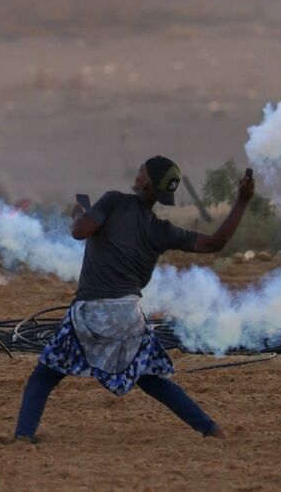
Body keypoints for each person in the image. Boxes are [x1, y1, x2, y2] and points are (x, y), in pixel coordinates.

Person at [13, 155, 254, 442]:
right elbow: (216, 242)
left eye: (141, 170)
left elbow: (79, 232)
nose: (137, 172)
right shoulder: (161, 231)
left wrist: (79, 212)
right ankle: (211, 430)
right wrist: (242, 200)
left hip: (89, 314)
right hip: (128, 317)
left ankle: (23, 437)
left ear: (145, 182)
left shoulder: (113, 201)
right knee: (151, 379)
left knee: (44, 376)